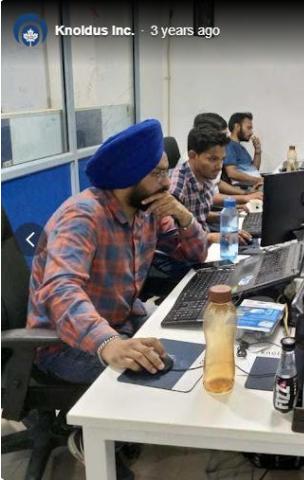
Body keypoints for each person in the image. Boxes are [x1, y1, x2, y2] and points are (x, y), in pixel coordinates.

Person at [28, 119, 208, 384]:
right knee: (154, 382)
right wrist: (109, 342)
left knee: (192, 344)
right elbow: (60, 290)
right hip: (66, 345)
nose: (167, 183)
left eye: (167, 172)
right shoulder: (82, 217)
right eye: (158, 174)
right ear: (129, 175)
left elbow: (195, 255)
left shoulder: (147, 210)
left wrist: (183, 216)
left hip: (121, 323)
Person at [170, 125, 252, 245]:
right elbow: (174, 238)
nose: (219, 166)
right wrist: (213, 237)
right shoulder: (178, 187)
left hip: (204, 241)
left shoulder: (205, 174)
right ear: (192, 155)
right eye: (213, 159)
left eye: (222, 159)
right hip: (191, 249)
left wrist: (222, 215)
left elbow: (198, 214)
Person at [192, 112, 263, 205]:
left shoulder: (212, 156)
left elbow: (217, 183)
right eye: (222, 136)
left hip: (218, 204)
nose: (220, 166)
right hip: (221, 201)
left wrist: (245, 194)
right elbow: (210, 197)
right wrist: (245, 197)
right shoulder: (196, 160)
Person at [224, 112, 263, 186]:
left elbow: (254, 170)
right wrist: (259, 180)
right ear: (237, 127)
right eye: (248, 128)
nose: (251, 132)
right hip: (243, 189)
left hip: (252, 186)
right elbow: (231, 173)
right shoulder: (229, 145)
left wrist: (257, 152)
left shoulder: (241, 147)